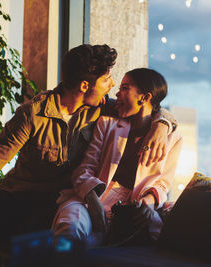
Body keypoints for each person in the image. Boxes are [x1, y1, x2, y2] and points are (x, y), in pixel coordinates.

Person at [0, 45, 177, 265]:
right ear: (85, 85)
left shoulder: (99, 107)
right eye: (106, 80)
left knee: (51, 241)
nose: (112, 86)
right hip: (18, 198)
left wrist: (162, 124)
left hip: (57, 204)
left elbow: (146, 106)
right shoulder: (33, 114)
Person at [51, 68, 183, 246]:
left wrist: (149, 201)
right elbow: (84, 168)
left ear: (143, 97)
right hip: (92, 196)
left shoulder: (171, 137)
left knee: (156, 236)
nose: (117, 93)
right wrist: (92, 200)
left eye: (125, 88)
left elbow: (163, 183)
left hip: (132, 206)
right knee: (71, 227)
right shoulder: (107, 124)